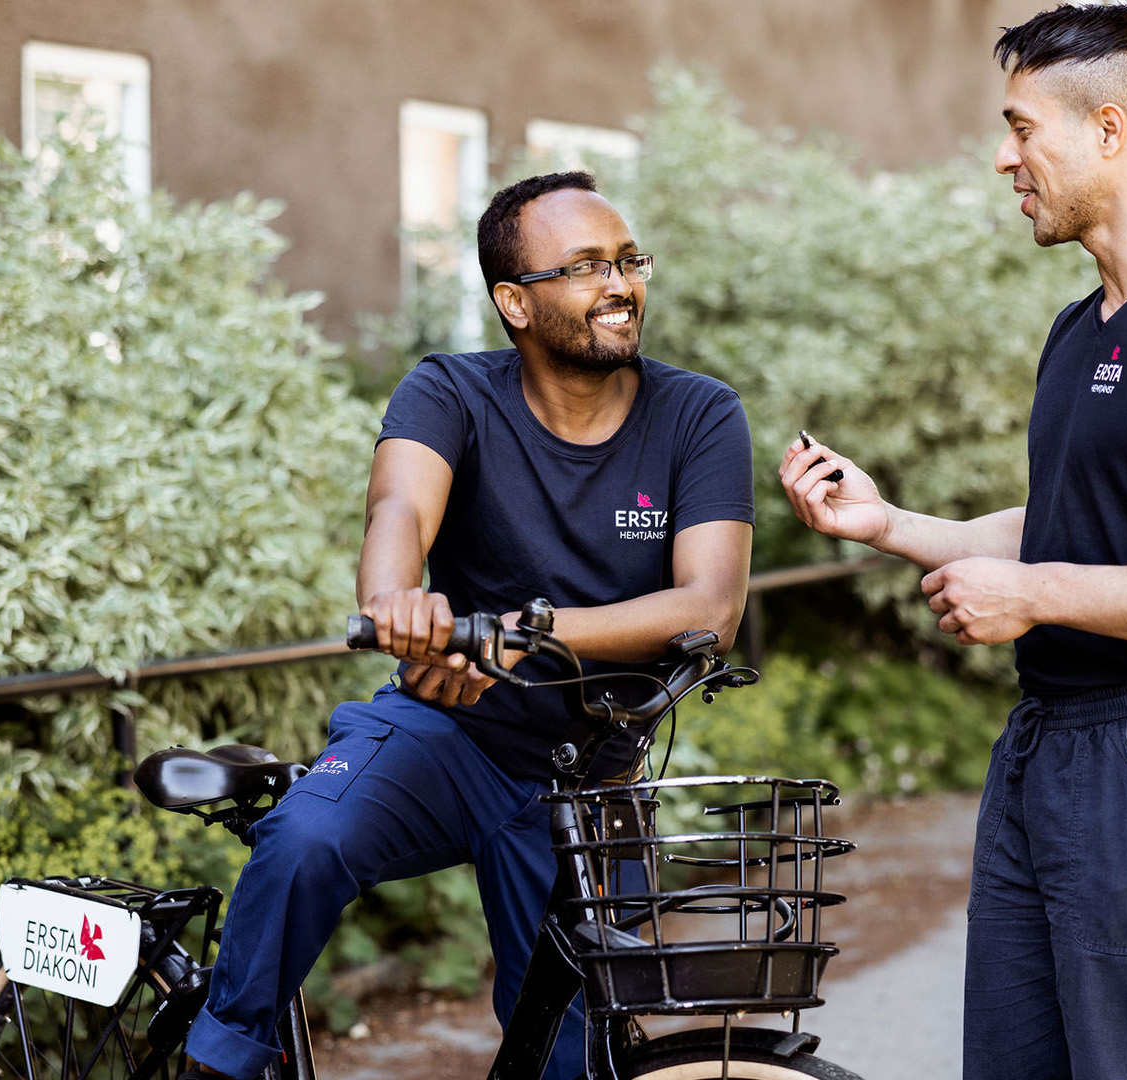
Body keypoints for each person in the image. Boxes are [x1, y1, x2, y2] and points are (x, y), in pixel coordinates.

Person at [780, 6, 1127, 1078]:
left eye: (1023, 128)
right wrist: (888, 525)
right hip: (1050, 749)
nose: (1003, 157)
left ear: (1110, 130)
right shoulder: (1088, 326)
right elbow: (1072, 527)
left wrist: (1039, 599)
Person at [181, 171, 754, 1080]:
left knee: (572, 1055)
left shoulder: (698, 413)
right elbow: (399, 513)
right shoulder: (450, 392)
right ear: (513, 303)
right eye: (585, 267)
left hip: (594, 775)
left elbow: (708, 608)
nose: (620, 284)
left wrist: (507, 630)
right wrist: (396, 604)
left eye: (629, 260)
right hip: (454, 731)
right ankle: (217, 1059)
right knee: (305, 842)